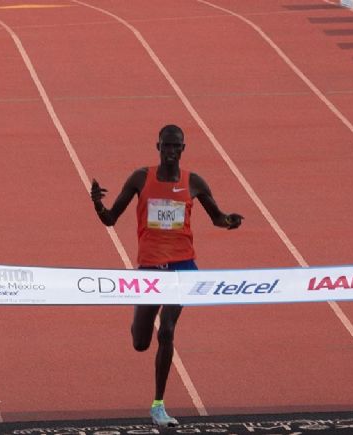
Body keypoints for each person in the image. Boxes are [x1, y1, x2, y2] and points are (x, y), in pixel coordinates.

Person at [90, 124, 243, 427]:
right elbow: (110, 219)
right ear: (158, 147)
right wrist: (97, 203)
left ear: (183, 149)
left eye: (176, 146)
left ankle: (158, 405)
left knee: (167, 331)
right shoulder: (140, 178)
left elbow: (217, 217)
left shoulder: (194, 183)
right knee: (140, 342)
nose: (171, 151)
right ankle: (141, 321)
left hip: (182, 268)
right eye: (167, 146)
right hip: (150, 270)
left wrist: (229, 221)